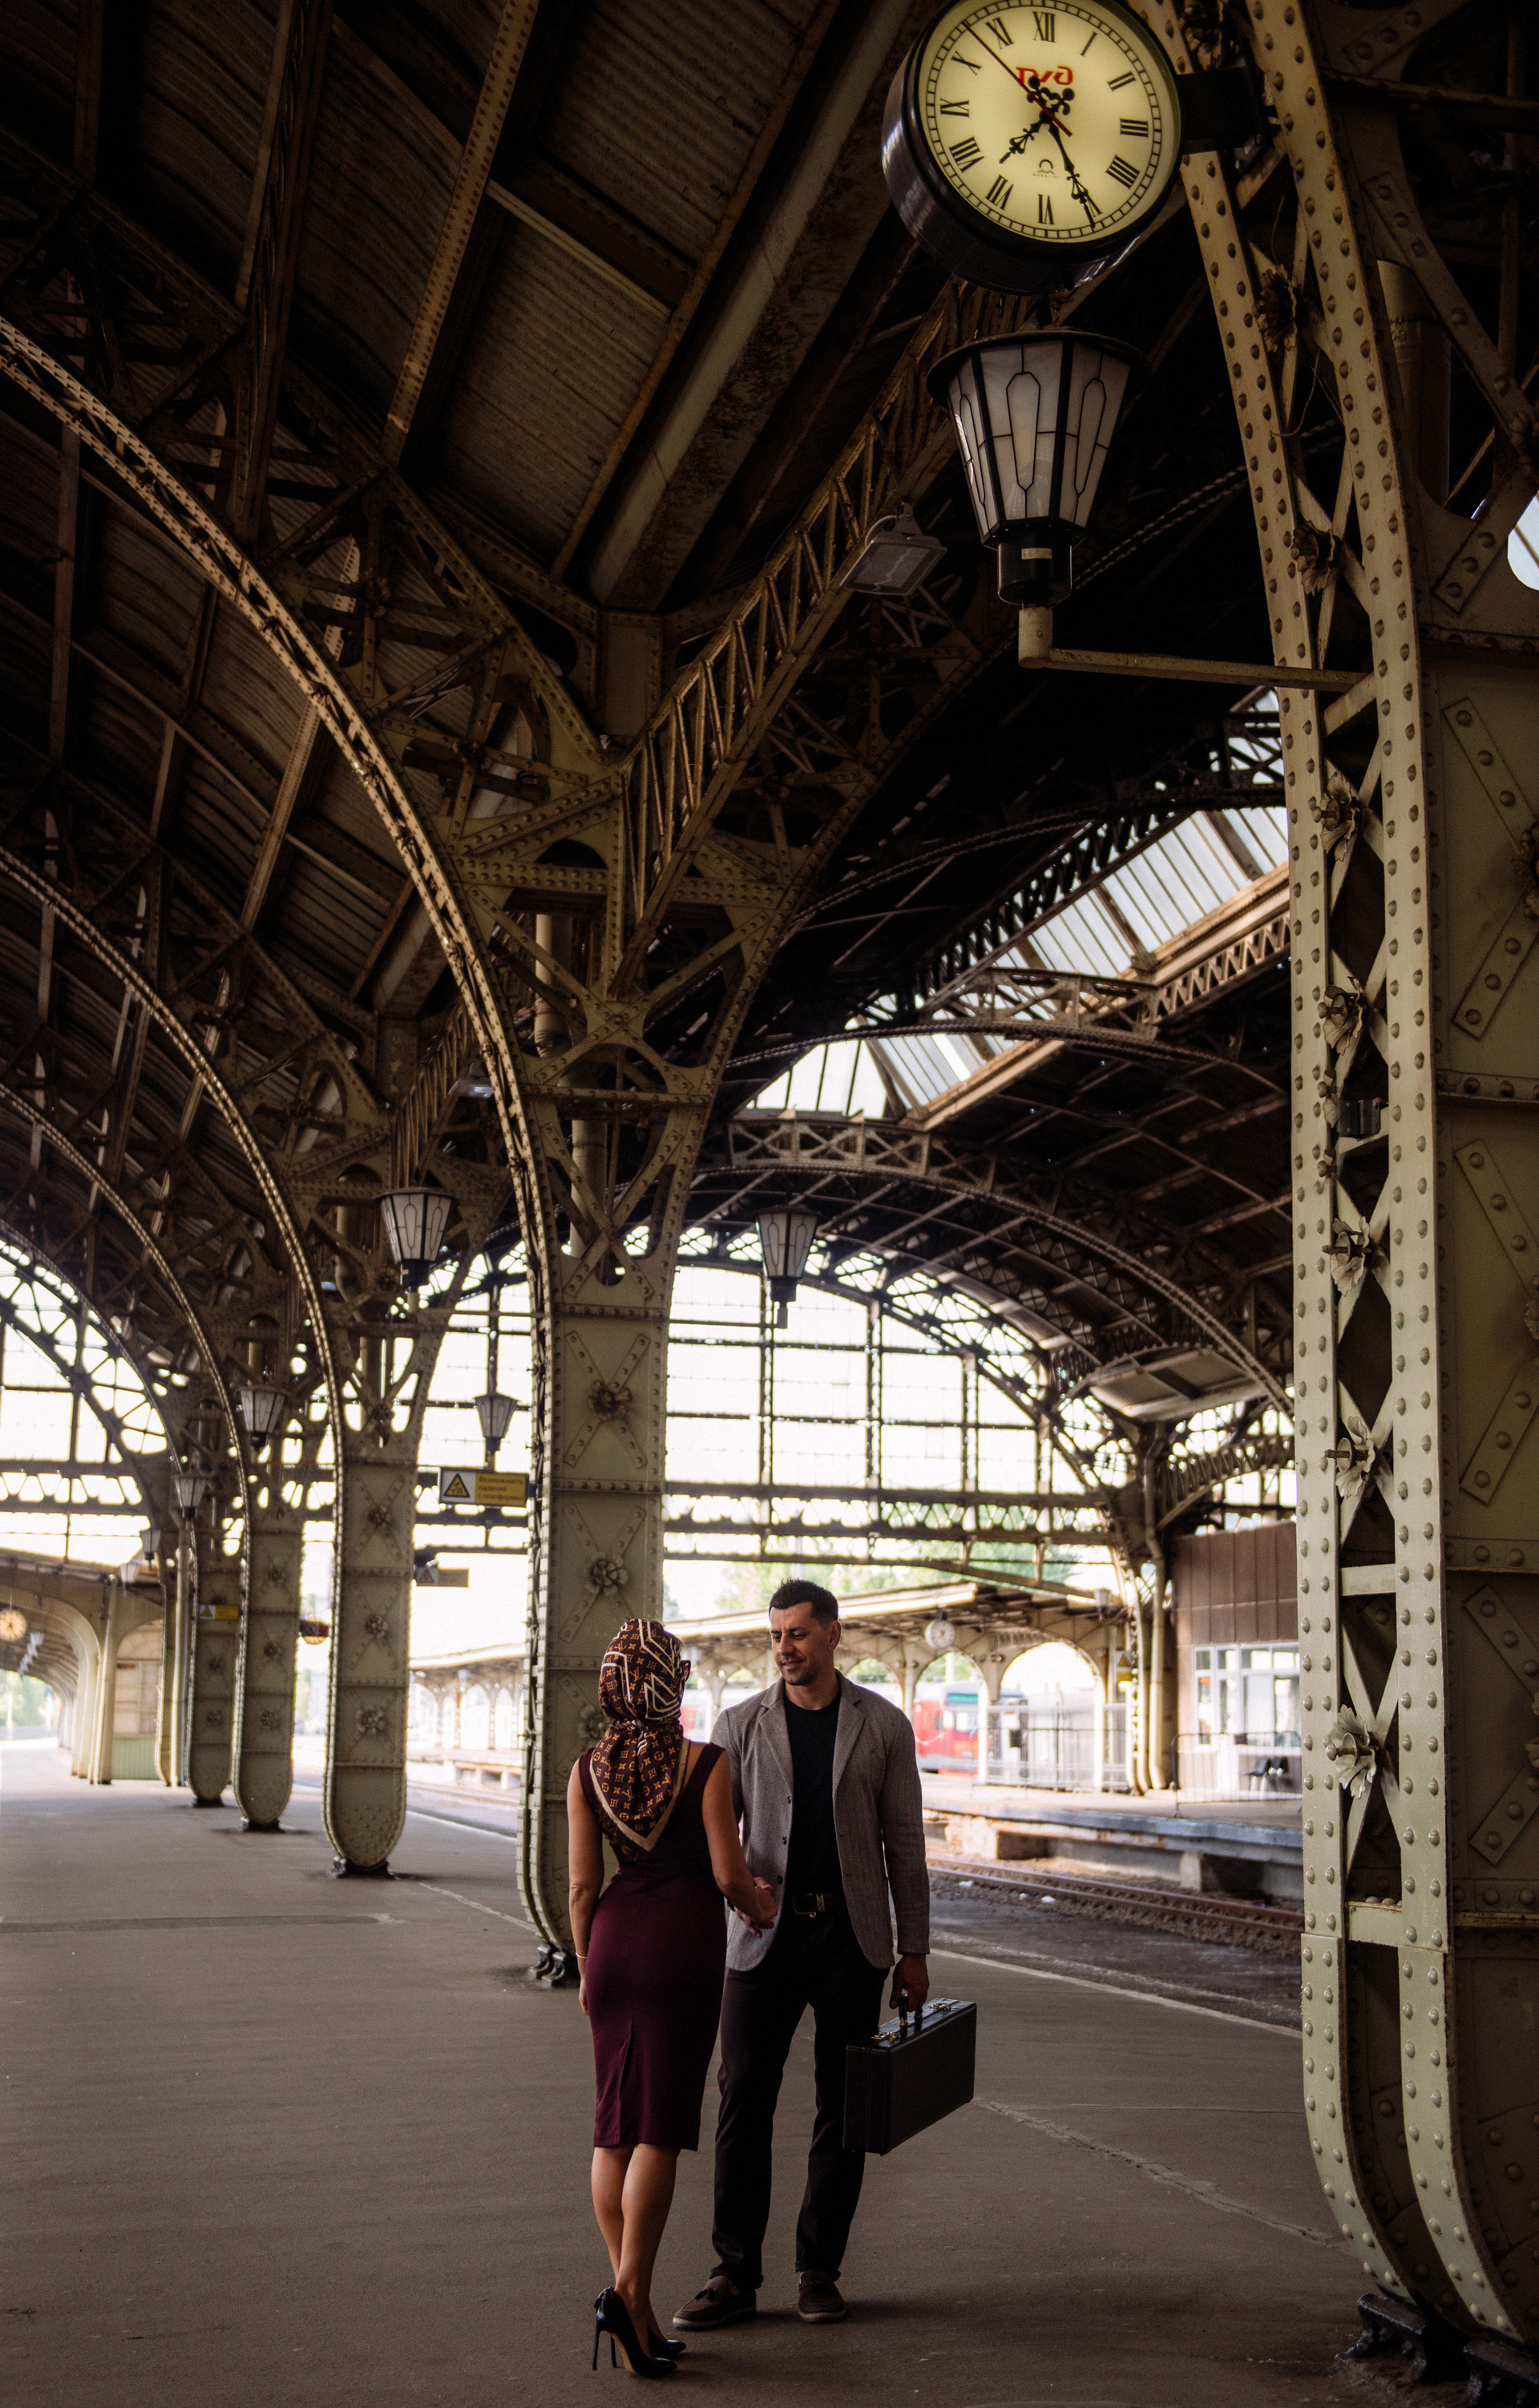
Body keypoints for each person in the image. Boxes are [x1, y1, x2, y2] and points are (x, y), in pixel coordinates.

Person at [673, 1578, 930, 2333]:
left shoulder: (883, 1726)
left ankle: (819, 2269)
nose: (784, 1648)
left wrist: (913, 1950)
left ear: (833, 1634)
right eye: (776, 1636)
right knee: (742, 2099)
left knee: (844, 2107)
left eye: (798, 1634)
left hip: (852, 1941)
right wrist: (734, 1894)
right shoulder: (739, 1725)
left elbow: (905, 1847)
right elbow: (715, 1835)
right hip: (763, 1938)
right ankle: (734, 2274)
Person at [568, 1618, 776, 2379]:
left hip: (612, 1945)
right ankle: (627, 2295)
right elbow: (728, 1873)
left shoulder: (585, 1771)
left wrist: (586, 1964)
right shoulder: (704, 1763)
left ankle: (638, 2311)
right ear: (671, 1685)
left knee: (612, 2129)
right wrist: (761, 1907)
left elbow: (582, 1887)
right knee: (659, 2126)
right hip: (680, 1947)